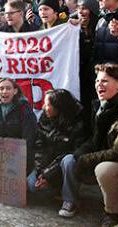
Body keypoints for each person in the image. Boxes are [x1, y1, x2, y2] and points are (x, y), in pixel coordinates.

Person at [64, 64, 118, 226]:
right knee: (69, 159)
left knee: (104, 169)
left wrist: (86, 160)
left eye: (105, 81)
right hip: (108, 155)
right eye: (97, 81)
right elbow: (95, 140)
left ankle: (113, 213)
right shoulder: (99, 105)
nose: (99, 84)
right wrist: (79, 155)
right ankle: (70, 201)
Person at [26, 89, 87, 218]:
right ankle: (58, 190)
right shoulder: (44, 118)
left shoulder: (79, 122)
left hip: (65, 164)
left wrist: (49, 175)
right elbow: (39, 147)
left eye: (47, 105)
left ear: (59, 106)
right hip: (48, 164)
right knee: (32, 185)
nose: (44, 107)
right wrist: (40, 171)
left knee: (70, 160)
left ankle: (70, 201)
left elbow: (73, 151)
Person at [0, 78, 37, 171]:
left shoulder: (24, 108)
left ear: (15, 91)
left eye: (8, 88)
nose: (4, 91)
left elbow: (29, 138)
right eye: (1, 88)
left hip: (20, 158)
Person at [76, 0, 100, 135]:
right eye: (79, 8)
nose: (81, 12)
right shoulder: (74, 27)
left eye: (84, 8)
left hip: (95, 77)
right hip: (81, 78)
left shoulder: (100, 26)